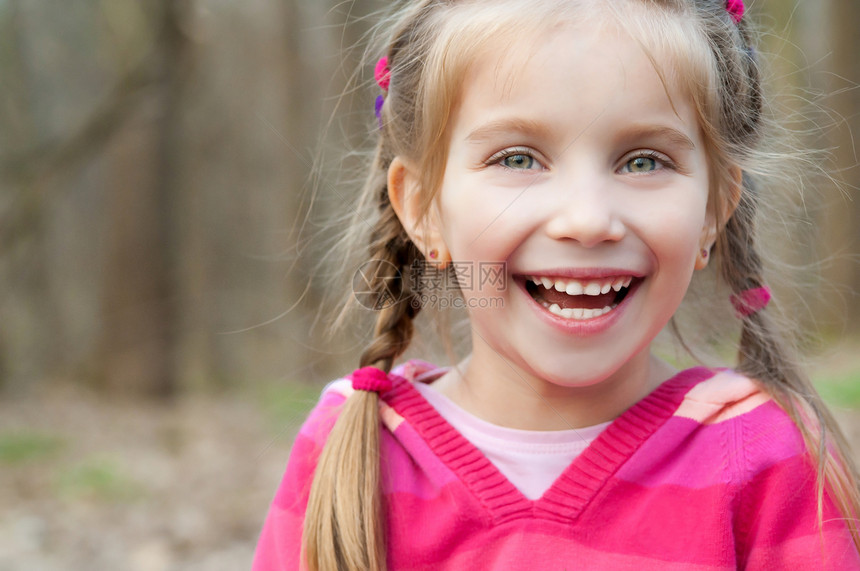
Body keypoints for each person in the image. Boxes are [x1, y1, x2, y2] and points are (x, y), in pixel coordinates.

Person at [253, 0, 860, 569]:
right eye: (518, 159)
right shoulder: (352, 452)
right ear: (423, 208)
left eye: (644, 160)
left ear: (712, 210)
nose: (587, 220)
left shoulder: (766, 457)